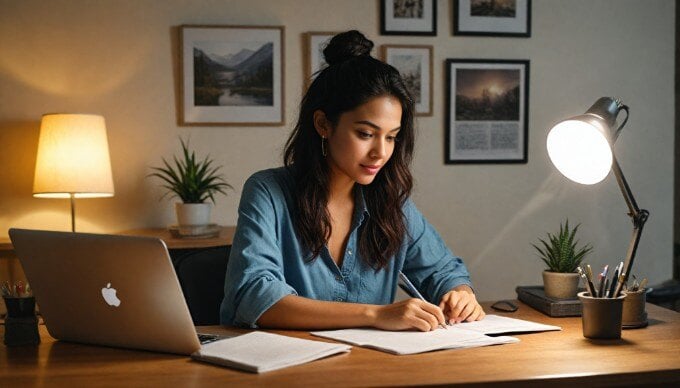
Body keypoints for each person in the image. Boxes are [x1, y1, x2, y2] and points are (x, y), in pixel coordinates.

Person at [220, 30, 485, 331]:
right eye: (366, 134)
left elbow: (443, 271)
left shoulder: (391, 202)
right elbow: (253, 296)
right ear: (323, 124)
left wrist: (460, 294)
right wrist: (376, 315)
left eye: (391, 137)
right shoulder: (268, 192)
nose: (380, 152)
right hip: (283, 371)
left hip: (368, 368)